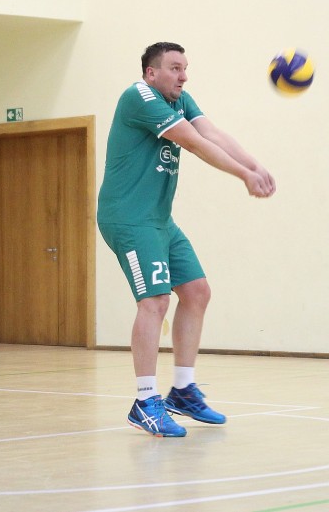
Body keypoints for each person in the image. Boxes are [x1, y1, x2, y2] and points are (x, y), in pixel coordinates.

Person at [98, 42, 275, 437]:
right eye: (175, 68)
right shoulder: (139, 97)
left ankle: (182, 391)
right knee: (155, 300)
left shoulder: (179, 99)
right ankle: (145, 402)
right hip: (129, 218)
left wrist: (254, 165)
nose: (184, 76)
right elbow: (193, 143)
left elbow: (210, 132)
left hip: (159, 219)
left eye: (185, 68)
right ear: (151, 73)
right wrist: (243, 176)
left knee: (196, 292)